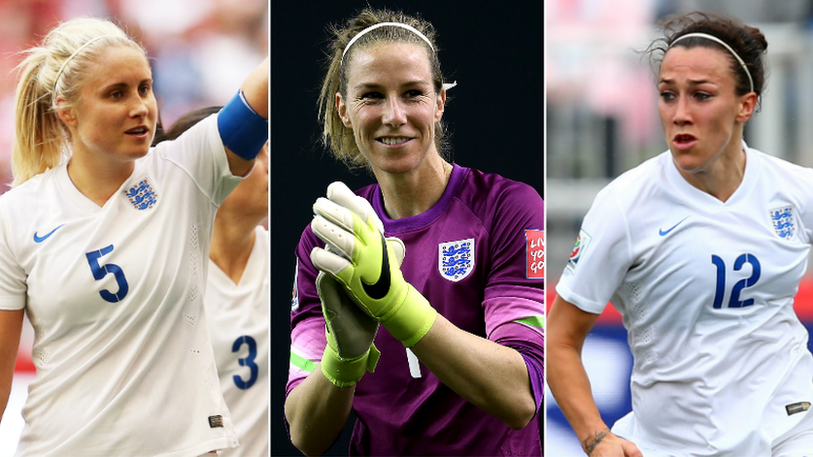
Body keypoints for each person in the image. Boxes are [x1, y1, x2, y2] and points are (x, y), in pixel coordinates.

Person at [547, 11, 813, 457]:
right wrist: (596, 439)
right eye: (668, 95)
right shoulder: (624, 208)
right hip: (673, 445)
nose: (680, 114)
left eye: (701, 96)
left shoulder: (797, 191)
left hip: (791, 429)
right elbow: (559, 340)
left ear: (745, 105)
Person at [0, 17, 268, 456]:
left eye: (145, 87)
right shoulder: (14, 216)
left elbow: (262, 92)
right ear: (67, 110)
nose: (141, 106)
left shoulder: (184, 170)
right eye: (116, 93)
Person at [283, 8, 545, 456]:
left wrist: (395, 305)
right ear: (345, 111)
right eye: (372, 96)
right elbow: (306, 435)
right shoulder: (326, 240)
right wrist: (343, 359)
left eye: (412, 93)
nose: (395, 115)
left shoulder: (509, 208)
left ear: (440, 102)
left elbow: (521, 395)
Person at [153, 108, 270, 457]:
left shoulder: (295, 257)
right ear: (208, 173)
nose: (269, 163)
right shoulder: (162, 280)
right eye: (254, 152)